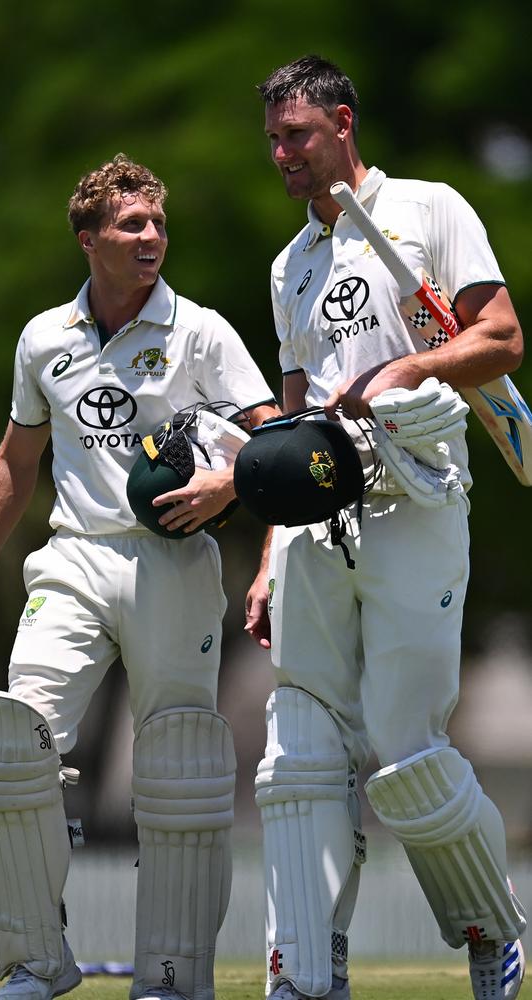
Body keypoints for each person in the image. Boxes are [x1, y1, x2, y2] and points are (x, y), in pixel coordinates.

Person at [0, 152, 278, 1000]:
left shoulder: (200, 331)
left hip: (175, 559)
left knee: (181, 767)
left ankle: (170, 975)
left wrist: (230, 482)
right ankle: (38, 964)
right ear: (90, 239)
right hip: (75, 554)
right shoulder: (44, 337)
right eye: (131, 224)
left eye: (158, 222)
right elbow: (18, 459)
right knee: (13, 745)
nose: (151, 235)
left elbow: (274, 438)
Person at [244, 55, 527, 1000]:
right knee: (298, 755)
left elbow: (503, 339)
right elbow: (287, 430)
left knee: (408, 753)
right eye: (275, 138)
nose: (284, 152)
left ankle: (493, 931)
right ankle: (306, 973)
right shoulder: (291, 266)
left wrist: (409, 372)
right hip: (320, 525)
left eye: (299, 134)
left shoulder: (429, 208)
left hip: (418, 500)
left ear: (344, 124)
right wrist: (267, 556)